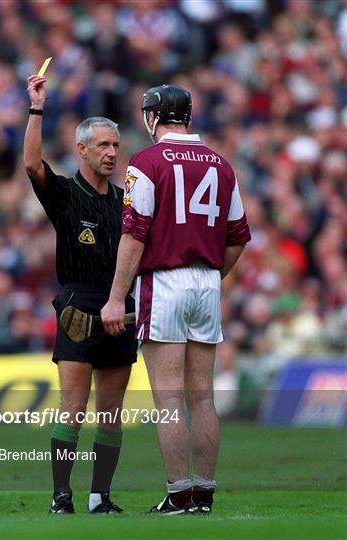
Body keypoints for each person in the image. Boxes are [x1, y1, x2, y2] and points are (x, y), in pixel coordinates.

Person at [101, 84, 251, 515]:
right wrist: (211, 274)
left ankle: (179, 493)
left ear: (153, 116)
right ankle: (204, 493)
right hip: (207, 281)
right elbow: (239, 236)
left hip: (163, 282)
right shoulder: (221, 164)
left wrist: (115, 298)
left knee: (168, 398)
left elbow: (134, 234)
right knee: (202, 396)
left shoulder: (145, 163)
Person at [23, 73, 137, 514]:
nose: (111, 153)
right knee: (73, 407)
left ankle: (100, 497)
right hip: (79, 304)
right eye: (103, 145)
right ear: (82, 149)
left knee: (110, 412)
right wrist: (37, 108)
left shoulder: (126, 201)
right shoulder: (68, 194)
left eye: (115, 145)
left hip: (120, 306)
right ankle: (61, 496)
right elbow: (33, 166)